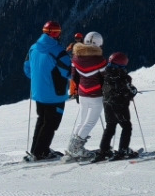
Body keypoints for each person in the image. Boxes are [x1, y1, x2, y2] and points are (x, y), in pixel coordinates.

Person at [23, 20, 71, 161]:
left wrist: (40, 78)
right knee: (51, 123)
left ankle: (37, 149)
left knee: (42, 120)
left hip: (38, 93)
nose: (58, 35)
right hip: (55, 94)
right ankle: (41, 153)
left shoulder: (33, 48)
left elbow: (27, 69)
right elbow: (68, 72)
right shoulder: (58, 52)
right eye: (57, 33)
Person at [63, 31, 107, 161]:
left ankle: (72, 147)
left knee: (82, 121)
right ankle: (76, 148)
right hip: (96, 94)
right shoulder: (100, 60)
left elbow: (74, 76)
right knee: (90, 122)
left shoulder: (76, 57)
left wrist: (77, 91)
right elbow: (105, 78)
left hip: (82, 93)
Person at [97, 51, 137, 159]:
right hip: (119, 105)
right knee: (126, 126)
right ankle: (123, 150)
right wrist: (133, 91)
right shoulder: (123, 77)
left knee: (110, 126)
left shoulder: (105, 74)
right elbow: (130, 92)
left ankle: (103, 150)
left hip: (107, 103)